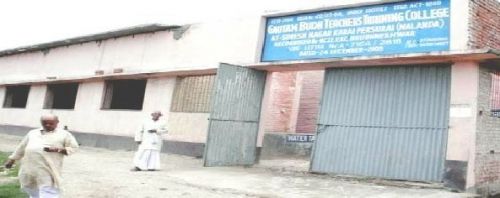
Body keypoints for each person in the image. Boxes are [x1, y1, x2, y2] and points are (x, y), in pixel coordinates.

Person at [3, 114, 79, 198]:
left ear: (57, 123)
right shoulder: (33, 133)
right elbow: (21, 147)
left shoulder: (64, 134)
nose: (47, 125)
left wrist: (57, 149)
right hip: (30, 169)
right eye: (44, 123)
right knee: (31, 189)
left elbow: (74, 147)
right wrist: (11, 160)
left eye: (51, 123)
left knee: (49, 191)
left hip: (48, 169)